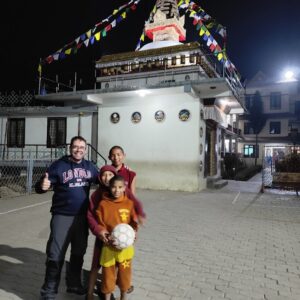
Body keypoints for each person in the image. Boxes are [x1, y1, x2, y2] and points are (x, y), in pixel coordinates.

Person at [37, 136, 99, 300]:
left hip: (82, 217)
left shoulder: (90, 167)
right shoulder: (59, 165)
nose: (79, 150)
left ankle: (73, 284)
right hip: (62, 216)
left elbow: (105, 178)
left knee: (79, 251)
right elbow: (42, 184)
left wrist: (120, 169)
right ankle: (49, 292)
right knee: (55, 253)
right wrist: (41, 186)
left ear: (85, 150)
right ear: (70, 148)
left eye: (82, 147)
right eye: (76, 146)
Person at [86, 165, 145, 300]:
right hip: (105, 241)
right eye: (104, 175)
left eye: (110, 175)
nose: (107, 178)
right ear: (100, 178)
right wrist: (100, 231)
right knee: (99, 267)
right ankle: (90, 293)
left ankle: (123, 289)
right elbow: (93, 217)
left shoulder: (127, 199)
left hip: (123, 246)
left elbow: (134, 211)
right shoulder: (99, 198)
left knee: (123, 270)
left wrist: (134, 230)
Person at [96, 175, 139, 300]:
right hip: (109, 247)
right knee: (108, 276)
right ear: (109, 187)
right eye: (114, 187)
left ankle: (123, 297)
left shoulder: (129, 204)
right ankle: (107, 297)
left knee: (125, 276)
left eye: (120, 187)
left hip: (125, 249)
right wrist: (103, 233)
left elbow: (134, 222)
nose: (117, 190)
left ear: (124, 188)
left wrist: (134, 232)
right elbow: (100, 223)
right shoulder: (103, 204)